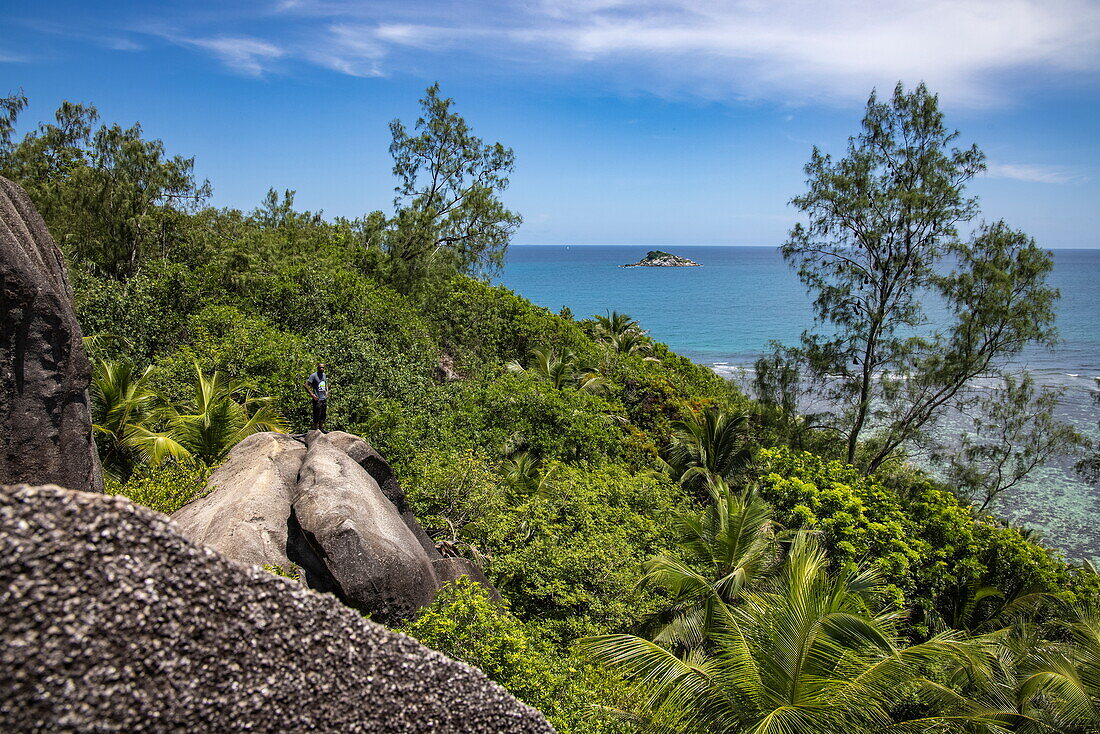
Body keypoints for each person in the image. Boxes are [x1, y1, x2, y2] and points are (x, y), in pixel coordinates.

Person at [305, 362, 330, 431]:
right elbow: (306, 385)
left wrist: (327, 391)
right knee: (316, 415)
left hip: (323, 398)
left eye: (323, 367)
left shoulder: (324, 375)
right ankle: (315, 430)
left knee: (323, 415)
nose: (321, 369)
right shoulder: (313, 376)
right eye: (320, 367)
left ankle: (321, 429)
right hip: (317, 399)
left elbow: (326, 383)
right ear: (317, 368)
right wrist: (312, 395)